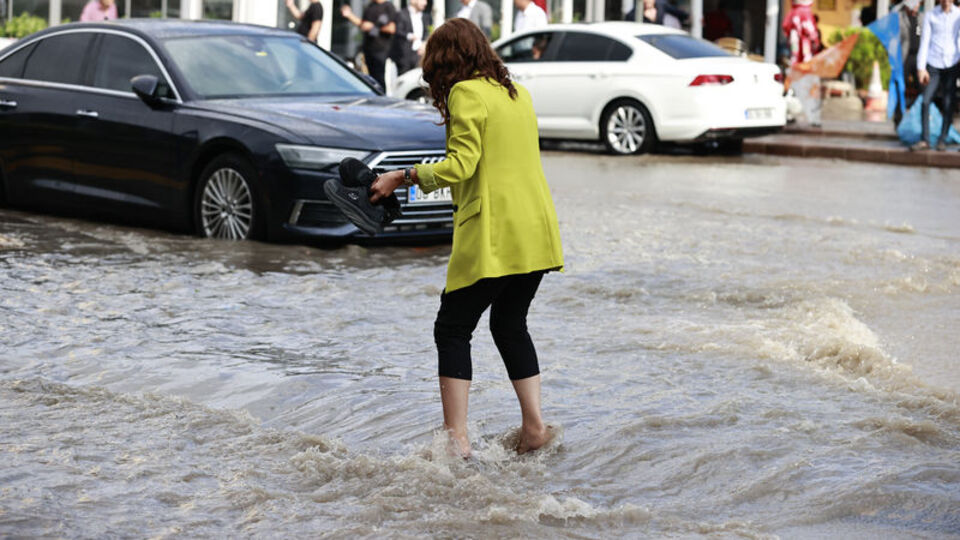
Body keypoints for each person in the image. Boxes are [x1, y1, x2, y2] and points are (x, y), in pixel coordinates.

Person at [368, 18, 564, 458]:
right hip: (535, 232)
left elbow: (462, 165)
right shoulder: (517, 94)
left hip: (495, 236)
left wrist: (403, 176)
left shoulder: (465, 92)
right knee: (509, 324)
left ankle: (457, 441)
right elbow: (493, 166)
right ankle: (534, 429)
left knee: (452, 327)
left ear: (445, 62)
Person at [913, 0, 960, 150]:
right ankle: (925, 139)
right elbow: (925, 40)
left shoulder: (958, 15)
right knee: (926, 100)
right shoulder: (931, 15)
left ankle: (942, 139)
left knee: (948, 103)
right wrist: (921, 68)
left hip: (952, 62)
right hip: (933, 63)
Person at [341, 0, 397, 89]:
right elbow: (362, 24)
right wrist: (350, 15)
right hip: (368, 49)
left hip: (381, 49)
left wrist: (372, 26)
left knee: (379, 79)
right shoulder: (370, 6)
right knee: (370, 79)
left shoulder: (388, 6)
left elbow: (392, 28)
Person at [390, 0, 431, 75]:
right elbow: (398, 31)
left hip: (419, 55)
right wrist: (410, 36)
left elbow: (427, 32)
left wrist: (424, 44)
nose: (425, 3)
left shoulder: (426, 16)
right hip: (404, 57)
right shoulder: (401, 14)